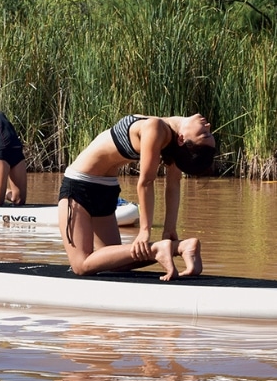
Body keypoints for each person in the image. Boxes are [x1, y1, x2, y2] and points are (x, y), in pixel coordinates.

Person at [57, 113, 216, 281]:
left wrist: (145, 231)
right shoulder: (171, 139)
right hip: (105, 188)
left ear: (182, 139)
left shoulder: (155, 128)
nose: (208, 126)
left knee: (81, 265)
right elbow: (173, 185)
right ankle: (181, 247)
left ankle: (158, 249)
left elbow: (147, 182)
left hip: (79, 184)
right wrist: (169, 229)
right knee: (115, 263)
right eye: (208, 133)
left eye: (205, 134)